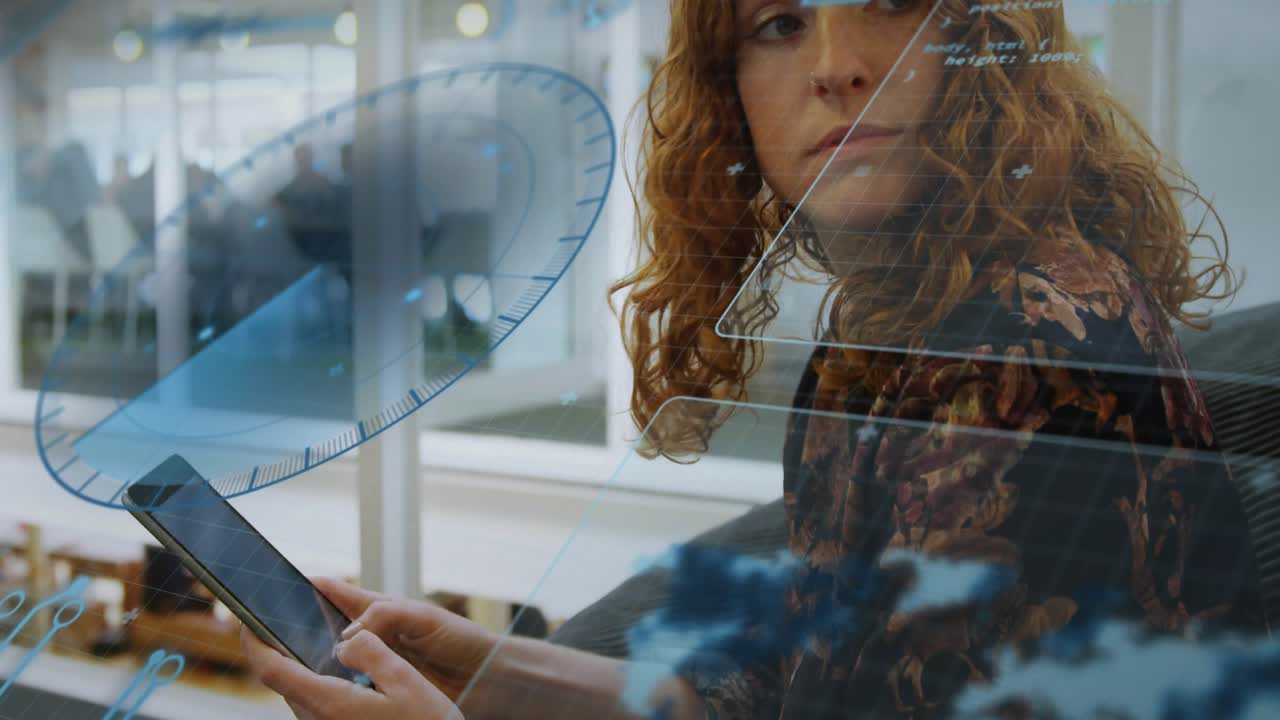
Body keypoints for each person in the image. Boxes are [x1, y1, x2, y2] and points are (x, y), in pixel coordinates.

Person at [242, 2, 1266, 718]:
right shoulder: (874, 333)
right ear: (729, 98)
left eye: (890, 0)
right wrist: (489, 673)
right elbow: (794, 694)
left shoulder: (1020, 342)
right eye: (777, 23)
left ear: (987, 41)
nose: (834, 64)